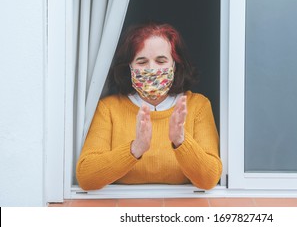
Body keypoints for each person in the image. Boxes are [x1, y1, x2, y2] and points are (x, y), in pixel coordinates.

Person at [76, 23, 222, 190]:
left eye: (161, 61)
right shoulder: (108, 108)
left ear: (175, 65)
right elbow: (86, 177)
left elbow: (209, 179)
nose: (152, 69)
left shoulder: (198, 106)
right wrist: (136, 148)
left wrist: (180, 141)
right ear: (129, 67)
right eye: (142, 61)